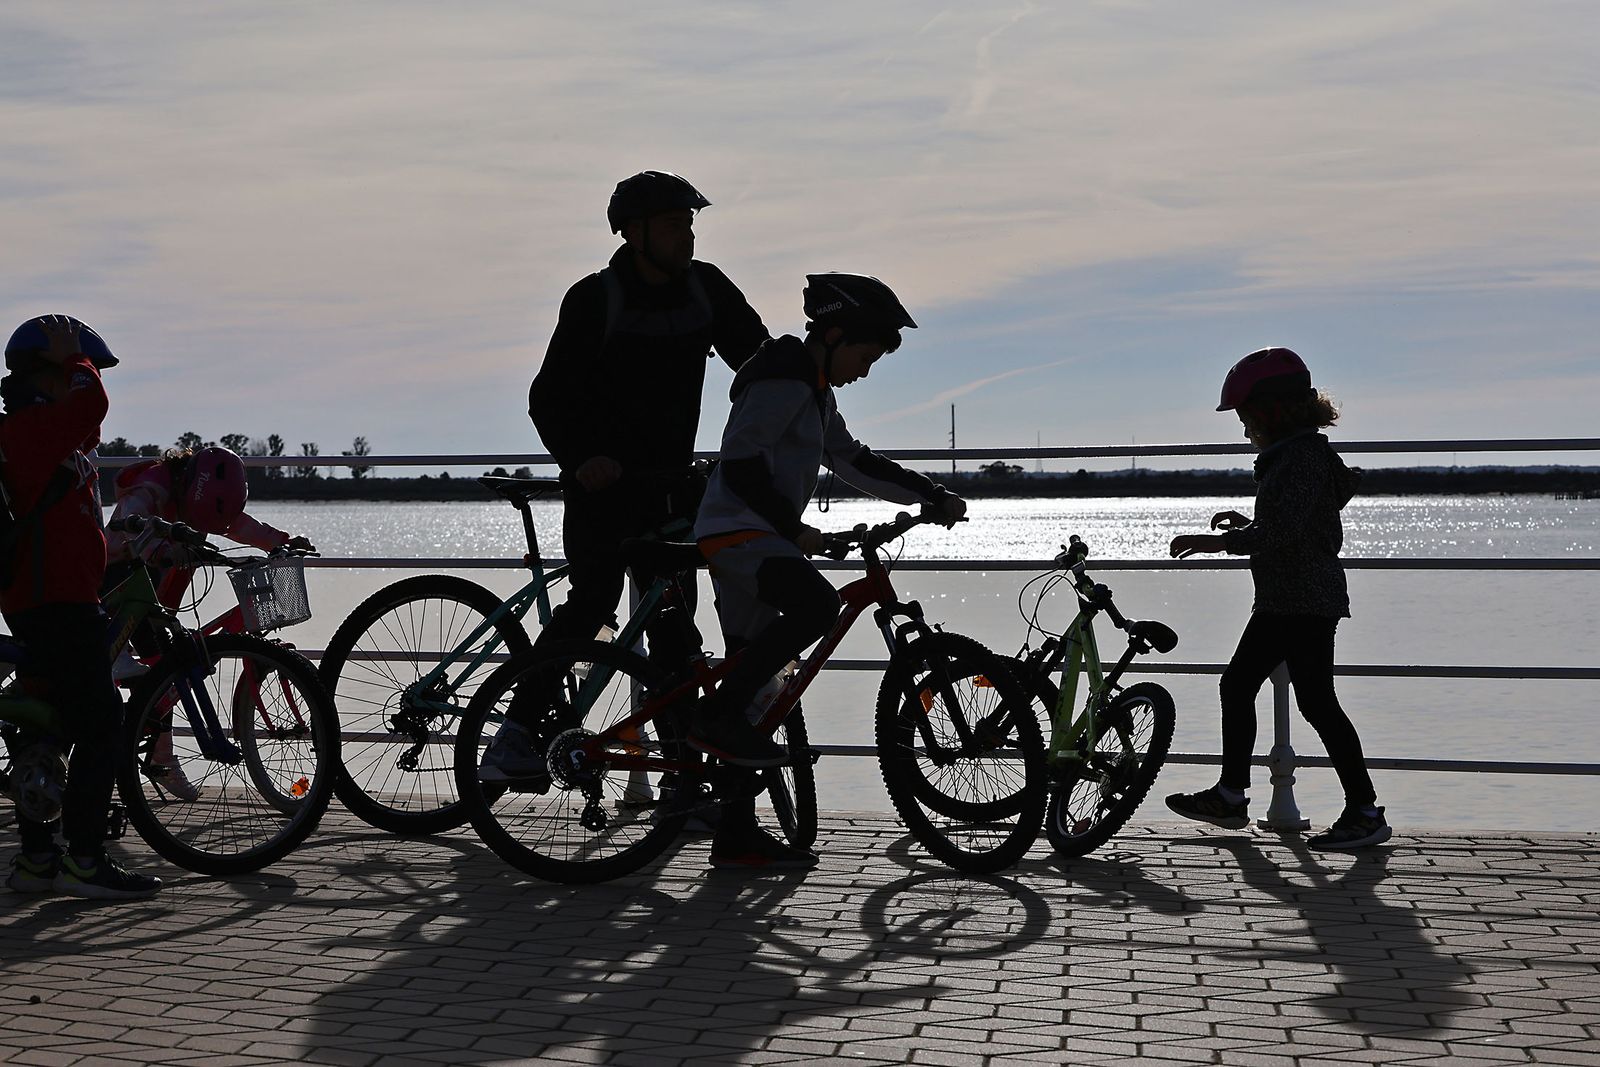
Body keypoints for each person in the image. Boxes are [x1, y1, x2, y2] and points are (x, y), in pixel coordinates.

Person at [481, 171, 769, 782]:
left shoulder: (706, 289)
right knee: (590, 604)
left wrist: (795, 397)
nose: (687, 236)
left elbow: (760, 361)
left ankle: (681, 779)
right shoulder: (595, 298)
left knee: (674, 628)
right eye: (673, 226)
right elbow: (547, 397)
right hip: (604, 491)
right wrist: (583, 457)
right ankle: (511, 741)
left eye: (691, 224)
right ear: (634, 233)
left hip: (669, 487)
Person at [691, 273, 967, 868]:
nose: (865, 370)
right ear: (835, 334)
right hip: (739, 533)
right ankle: (711, 717)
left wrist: (928, 493)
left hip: (756, 537)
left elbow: (852, 460)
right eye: (865, 355)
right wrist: (791, 530)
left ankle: (734, 835)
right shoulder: (783, 377)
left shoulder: (814, 388)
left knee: (758, 689)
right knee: (818, 608)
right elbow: (739, 465)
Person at [1164, 346, 1389, 851]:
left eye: (1247, 416)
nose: (1244, 427)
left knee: (1274, 693)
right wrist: (1247, 528)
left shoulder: (1301, 458)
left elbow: (1284, 532)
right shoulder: (1301, 455)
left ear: (1272, 411)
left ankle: (1352, 808)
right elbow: (1292, 526)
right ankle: (1245, 795)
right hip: (1295, 596)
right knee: (1289, 696)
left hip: (1298, 599)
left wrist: (1218, 542)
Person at [1, 315, 161, 899]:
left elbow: (84, 431)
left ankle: (38, 860)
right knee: (102, 725)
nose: (77, 379)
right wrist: (77, 361)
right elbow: (90, 406)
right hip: (57, 603)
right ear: (42, 374)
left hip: (50, 598)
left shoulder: (41, 432)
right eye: (64, 372)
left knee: (44, 726)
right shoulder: (28, 429)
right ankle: (86, 860)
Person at [102, 445, 315, 799]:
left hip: (157, 595)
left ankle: (161, 759)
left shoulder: (200, 495)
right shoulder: (154, 485)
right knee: (154, 671)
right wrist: (157, 547)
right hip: (120, 582)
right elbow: (126, 520)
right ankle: (147, 752)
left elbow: (238, 525)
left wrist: (280, 542)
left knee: (164, 674)